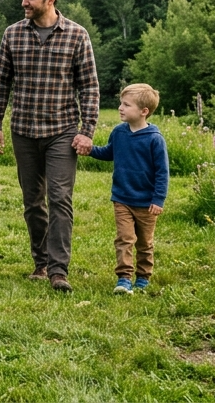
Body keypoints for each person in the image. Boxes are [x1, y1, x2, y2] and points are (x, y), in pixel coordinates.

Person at [0, 0, 99, 293]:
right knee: (32, 201)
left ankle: (58, 270)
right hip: (23, 130)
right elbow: (0, 83)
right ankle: (40, 262)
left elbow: (89, 87)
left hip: (62, 131)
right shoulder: (12, 35)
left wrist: (87, 130)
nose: (23, 2)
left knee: (60, 198)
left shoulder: (77, 36)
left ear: (50, 0)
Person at [80, 83, 169, 294]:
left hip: (147, 203)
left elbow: (162, 173)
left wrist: (158, 200)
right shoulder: (119, 132)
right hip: (121, 198)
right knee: (124, 239)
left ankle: (144, 277)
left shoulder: (155, 139)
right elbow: (109, 152)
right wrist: (90, 150)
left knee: (145, 243)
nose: (120, 107)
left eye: (126, 105)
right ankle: (124, 278)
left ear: (143, 111)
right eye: (121, 103)